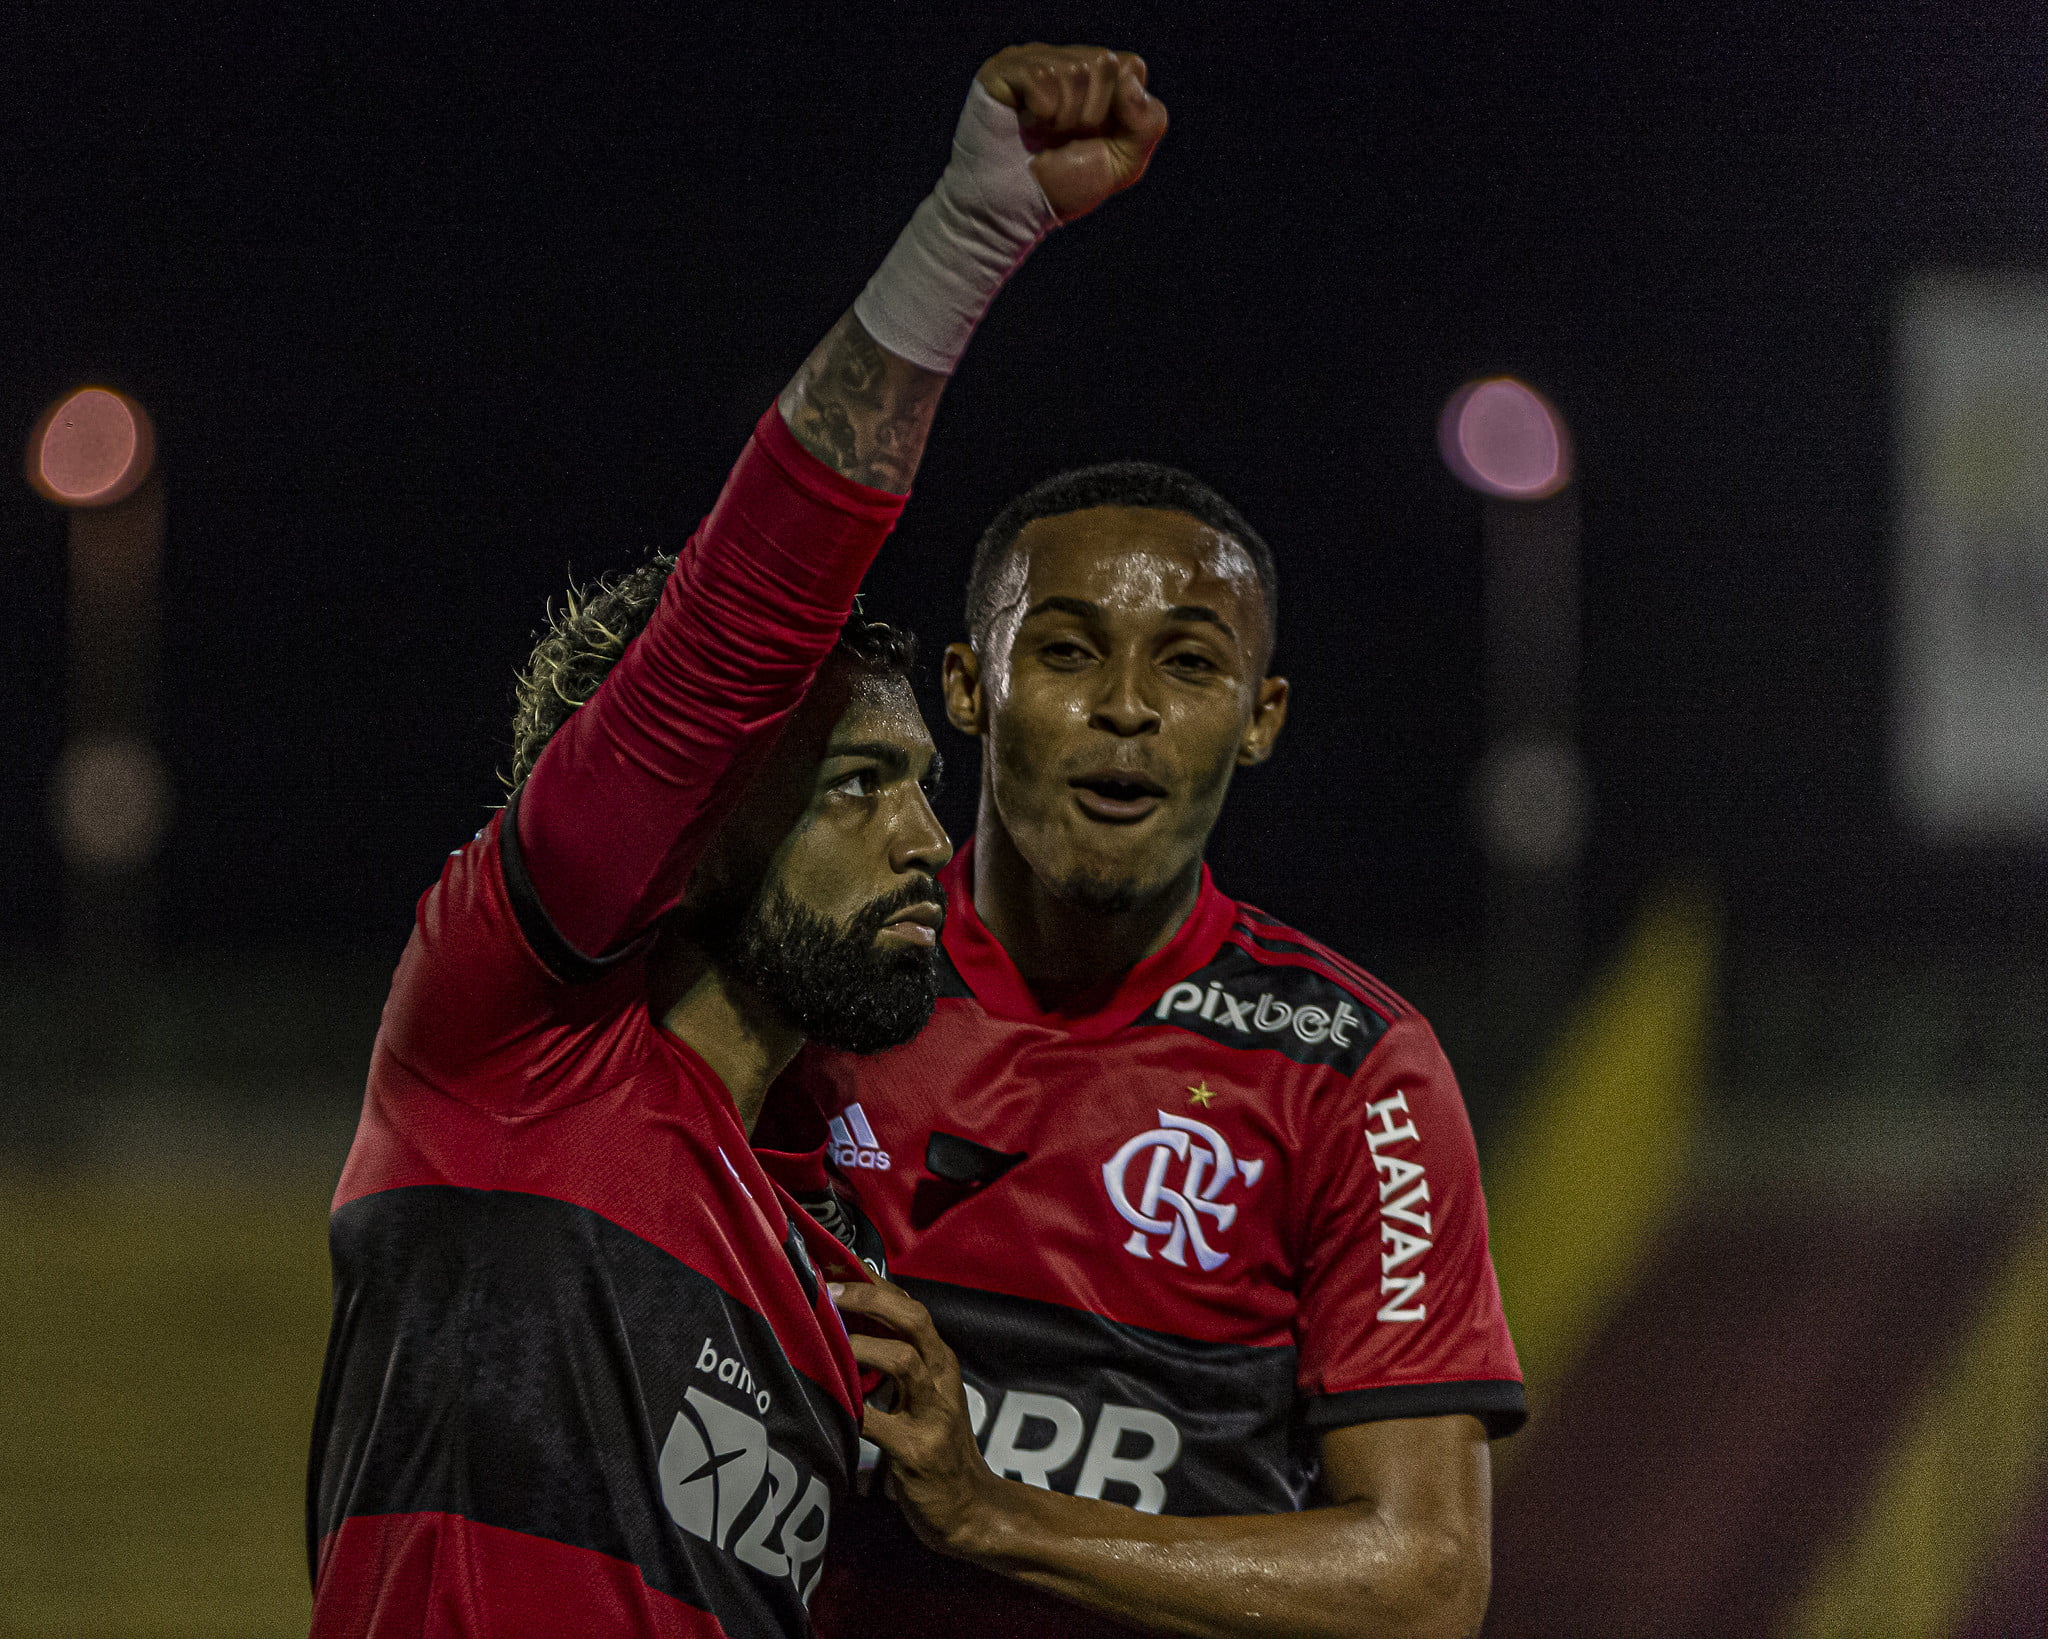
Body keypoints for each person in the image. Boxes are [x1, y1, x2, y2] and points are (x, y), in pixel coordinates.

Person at [305, 44, 1168, 1637]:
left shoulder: (828, 1265)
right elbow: (742, 614)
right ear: (683, 838)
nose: (930, 832)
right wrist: (969, 232)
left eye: (924, 780)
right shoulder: (510, 1044)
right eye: (855, 784)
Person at [762, 464, 1525, 1638]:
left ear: (1259, 715)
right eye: (1066, 652)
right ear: (968, 687)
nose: (1128, 705)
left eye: (1188, 661)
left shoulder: (1357, 1070)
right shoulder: (813, 995)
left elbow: (1420, 1580)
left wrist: (991, 1516)